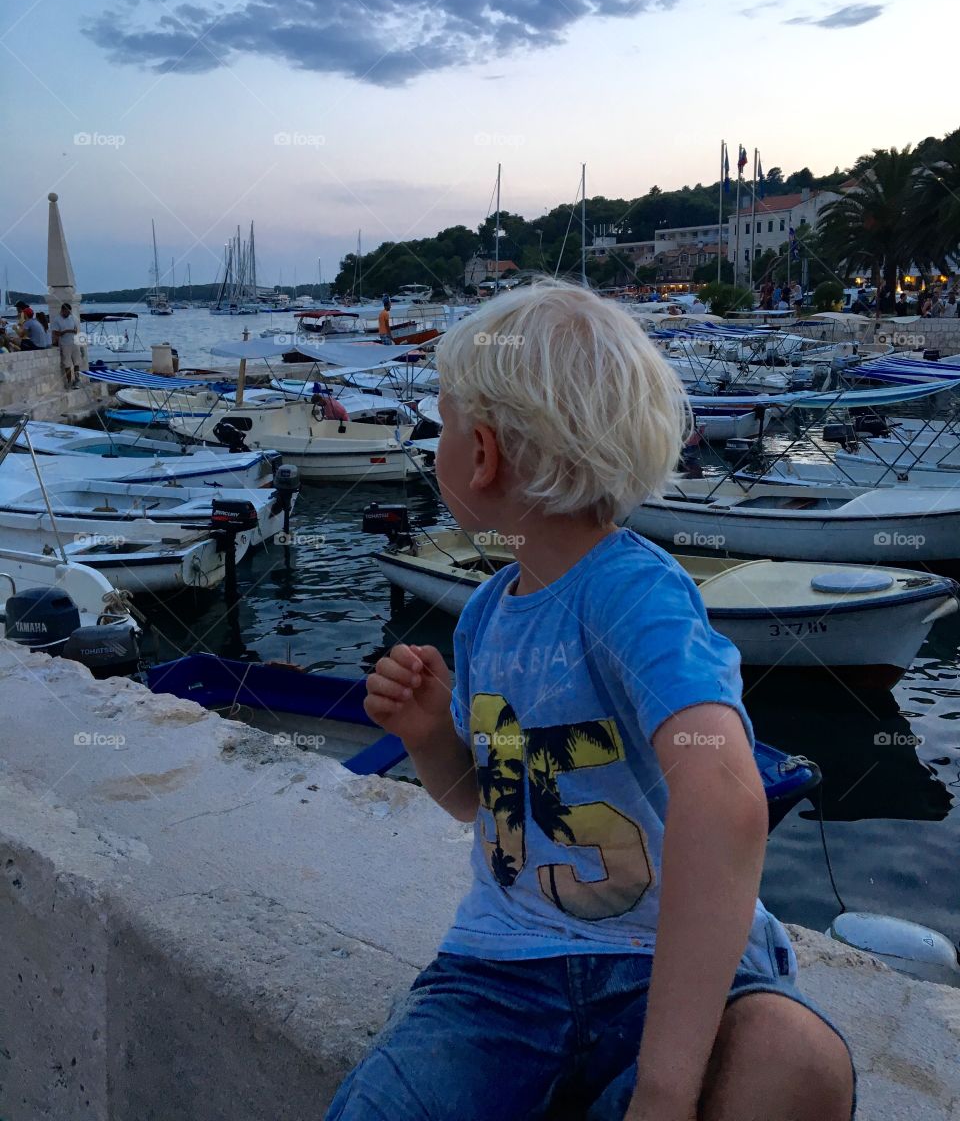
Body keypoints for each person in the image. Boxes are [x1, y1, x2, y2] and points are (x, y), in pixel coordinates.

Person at [328, 281, 855, 1121]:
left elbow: (724, 797)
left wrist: (664, 1089)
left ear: (482, 456)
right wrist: (431, 737)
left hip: (661, 972)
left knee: (792, 1060)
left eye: (441, 425)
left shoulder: (632, 595)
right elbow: (491, 810)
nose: (436, 448)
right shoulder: (487, 618)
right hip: (503, 972)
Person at [51, 302, 81, 386]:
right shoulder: (57, 320)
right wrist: (66, 331)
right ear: (63, 310)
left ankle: (77, 380)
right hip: (65, 344)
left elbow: (76, 329)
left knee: (76, 362)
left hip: (74, 342)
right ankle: (69, 381)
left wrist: (74, 331)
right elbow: (55, 333)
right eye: (67, 312)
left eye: (69, 312)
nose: (68, 313)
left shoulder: (72, 318)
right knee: (67, 364)